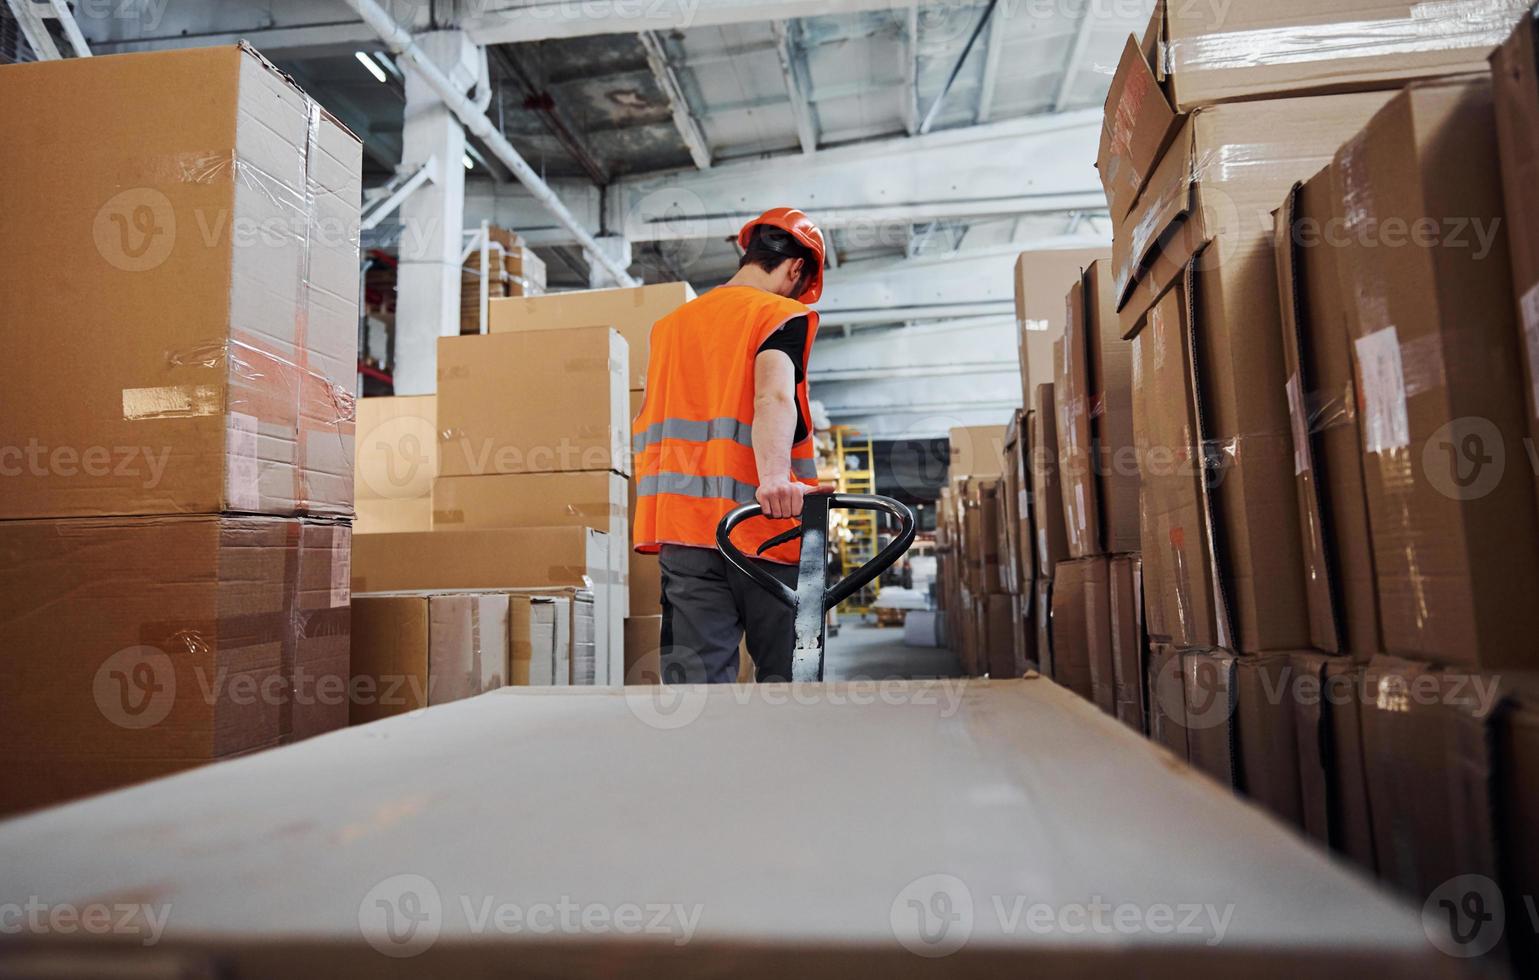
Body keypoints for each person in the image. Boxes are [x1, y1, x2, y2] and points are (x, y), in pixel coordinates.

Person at [631, 207, 826, 683]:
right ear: (796, 269)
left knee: (697, 690)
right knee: (789, 687)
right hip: (765, 528)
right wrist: (777, 479)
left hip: (686, 532)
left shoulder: (671, 326)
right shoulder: (779, 313)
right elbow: (774, 393)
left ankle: (702, 762)